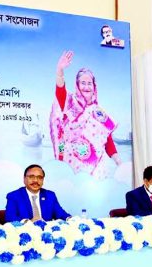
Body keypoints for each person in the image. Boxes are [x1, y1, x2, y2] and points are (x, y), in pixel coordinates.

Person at [50, 50, 122, 178]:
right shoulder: (69, 102)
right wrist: (59, 70)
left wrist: (119, 162)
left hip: (95, 172)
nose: (86, 87)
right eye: (83, 83)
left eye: (89, 83)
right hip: (71, 168)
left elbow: (108, 140)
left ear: (94, 87)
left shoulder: (99, 112)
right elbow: (60, 91)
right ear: (77, 85)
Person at [4, 164, 71, 222]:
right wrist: (28, 222)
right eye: (31, 177)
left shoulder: (50, 195)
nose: (35, 180)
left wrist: (70, 219)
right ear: (24, 179)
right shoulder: (14, 196)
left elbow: (61, 214)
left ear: (43, 180)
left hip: (46, 234)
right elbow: (10, 217)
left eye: (40, 177)